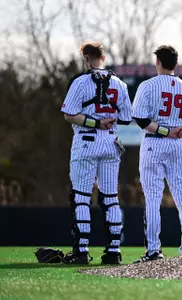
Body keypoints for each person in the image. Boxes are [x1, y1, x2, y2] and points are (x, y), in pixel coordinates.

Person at [61, 41, 132, 264]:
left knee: (81, 197)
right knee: (110, 198)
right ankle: (113, 251)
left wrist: (94, 122)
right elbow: (127, 117)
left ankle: (81, 251)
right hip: (111, 143)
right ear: (103, 57)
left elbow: (69, 115)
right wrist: (108, 120)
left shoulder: (80, 82)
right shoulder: (120, 84)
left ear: (86, 58)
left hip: (86, 142)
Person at [132, 45, 182, 262]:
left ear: (158, 62)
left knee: (153, 198)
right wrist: (174, 131)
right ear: (175, 64)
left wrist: (164, 130)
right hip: (179, 145)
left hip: (154, 143)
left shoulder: (148, 86)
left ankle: (153, 250)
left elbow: (141, 119)